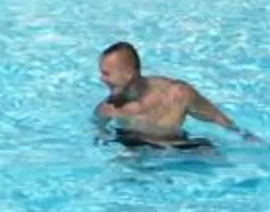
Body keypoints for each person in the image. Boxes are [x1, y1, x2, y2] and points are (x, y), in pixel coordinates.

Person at [92, 40, 244, 149]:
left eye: (106, 74)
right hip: (135, 145)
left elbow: (219, 118)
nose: (101, 79)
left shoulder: (177, 94)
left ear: (128, 75)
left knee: (211, 154)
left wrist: (247, 137)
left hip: (177, 145)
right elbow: (98, 129)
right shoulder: (109, 108)